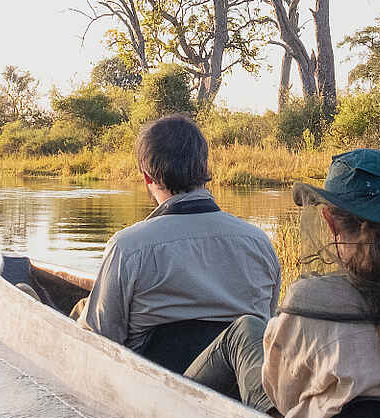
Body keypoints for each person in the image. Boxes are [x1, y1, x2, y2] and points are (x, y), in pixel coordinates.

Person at [185, 148, 380, 418]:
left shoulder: (309, 302)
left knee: (246, 329)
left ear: (329, 221)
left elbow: (282, 398)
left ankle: (173, 404)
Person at [76, 114, 281, 361]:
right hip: (238, 392)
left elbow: (97, 342)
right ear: (205, 168)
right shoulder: (259, 243)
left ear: (147, 177)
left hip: (152, 389)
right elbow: (268, 328)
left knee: (78, 310)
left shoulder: (128, 247)